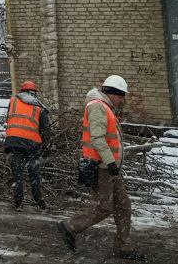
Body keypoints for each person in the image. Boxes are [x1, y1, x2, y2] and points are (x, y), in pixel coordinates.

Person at [57, 75, 144, 261]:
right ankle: (70, 226)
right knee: (103, 207)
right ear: (113, 93)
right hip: (103, 167)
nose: (123, 100)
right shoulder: (97, 106)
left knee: (123, 206)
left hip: (111, 167)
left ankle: (123, 246)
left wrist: (114, 162)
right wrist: (111, 161)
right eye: (121, 96)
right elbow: (97, 138)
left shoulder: (105, 107)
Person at [4, 79, 52, 210]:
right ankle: (40, 202)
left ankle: (18, 203)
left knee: (17, 175)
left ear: (22, 92)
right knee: (34, 174)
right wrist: (46, 147)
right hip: (31, 144)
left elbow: (9, 118)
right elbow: (46, 131)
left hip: (13, 142)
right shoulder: (40, 107)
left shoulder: (13, 101)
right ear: (34, 93)